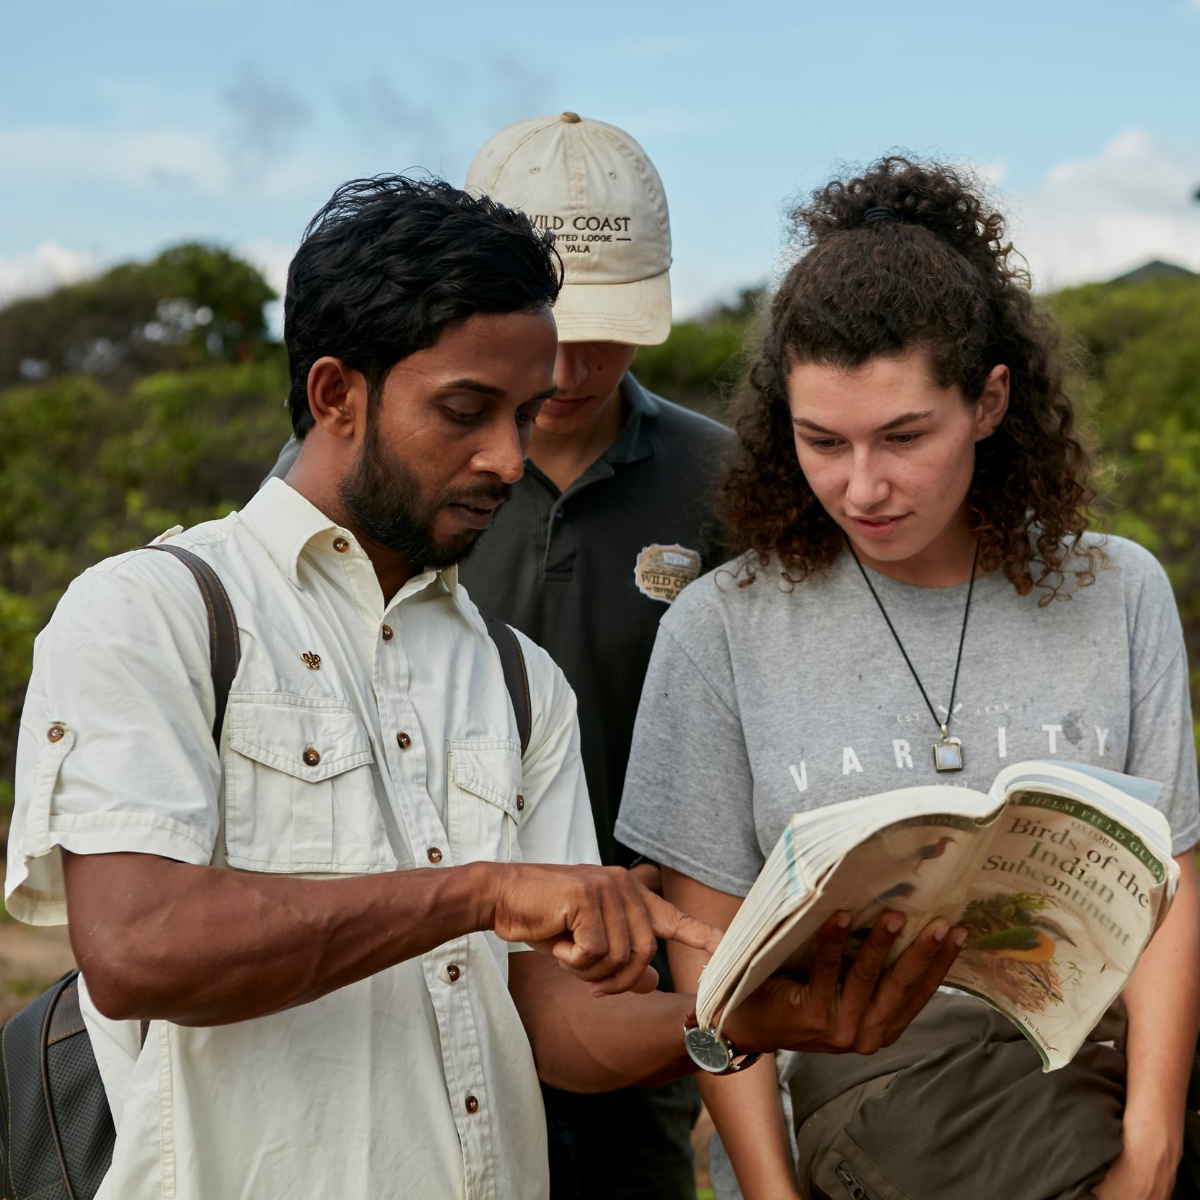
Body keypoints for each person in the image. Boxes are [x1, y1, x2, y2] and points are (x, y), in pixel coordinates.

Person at [7, 173, 963, 1200]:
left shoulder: (518, 682)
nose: (507, 459)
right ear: (336, 395)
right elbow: (140, 951)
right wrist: (483, 892)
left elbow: (556, 1027)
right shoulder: (155, 614)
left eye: (522, 413)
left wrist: (736, 1018)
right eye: (465, 412)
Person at [615, 157, 1200, 1200]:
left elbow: (1173, 883)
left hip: (1114, 1082)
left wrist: (1150, 1155)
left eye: (904, 437)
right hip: (889, 1114)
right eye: (821, 442)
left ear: (989, 401)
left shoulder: (1115, 589)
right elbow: (710, 956)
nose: (862, 486)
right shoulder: (724, 627)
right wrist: (770, 1191)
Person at [456, 111, 735, 1200]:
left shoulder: (724, 483)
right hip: (432, 971)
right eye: (545, 326)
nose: (569, 365)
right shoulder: (392, 479)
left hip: (638, 985)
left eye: (604, 328)